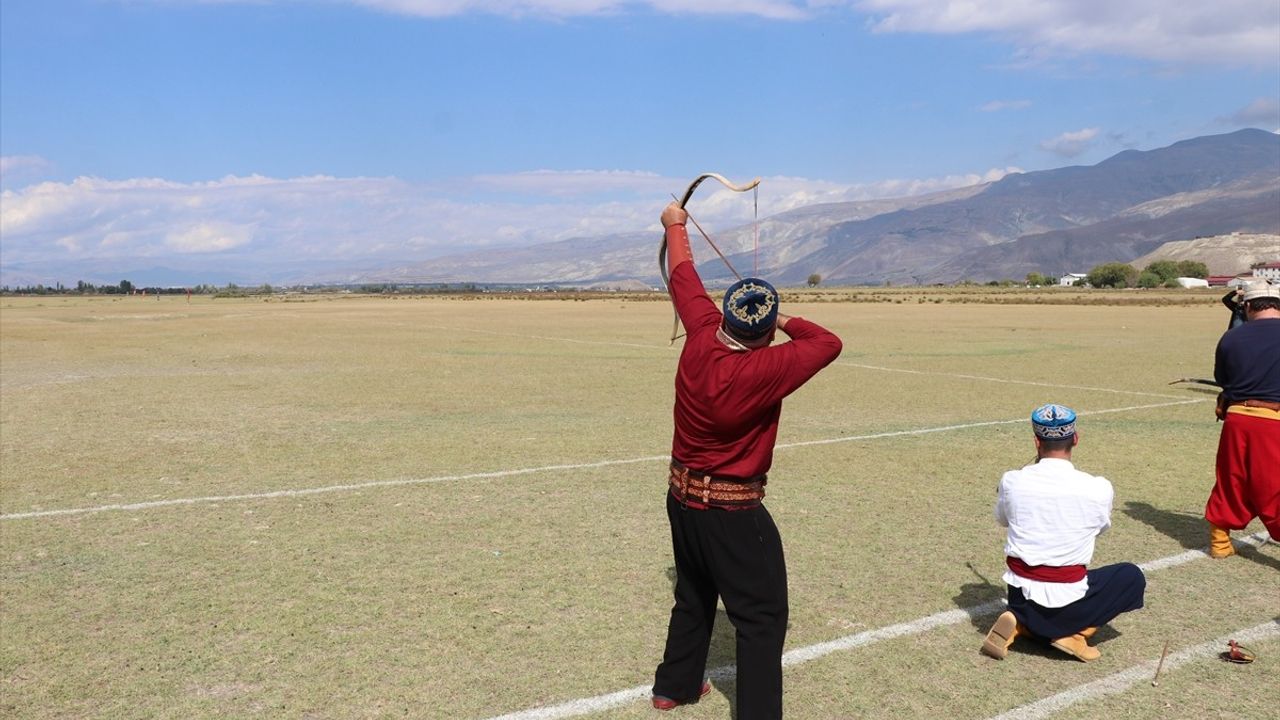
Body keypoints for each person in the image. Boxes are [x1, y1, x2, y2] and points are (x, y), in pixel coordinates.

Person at [650, 202, 842, 717]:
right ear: (763, 334)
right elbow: (827, 341)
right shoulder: (766, 366)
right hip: (732, 513)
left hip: (681, 498)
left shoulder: (700, 331)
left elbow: (684, 274)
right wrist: (778, 315)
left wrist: (674, 223)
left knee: (694, 593)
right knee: (761, 617)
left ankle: (675, 685)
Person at [980, 403, 1146, 663]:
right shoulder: (1098, 487)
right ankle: (1071, 634)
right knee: (1131, 576)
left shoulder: (1012, 480)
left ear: (1036, 441)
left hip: (1019, 595)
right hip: (1067, 596)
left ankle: (1022, 623)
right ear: (1076, 439)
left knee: (1039, 582)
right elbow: (1099, 529)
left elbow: (1002, 520)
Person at [1205, 280, 1280, 558]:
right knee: (1274, 486)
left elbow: (1222, 379)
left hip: (1236, 418)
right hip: (1274, 421)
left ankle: (1220, 542)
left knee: (1231, 479)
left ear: (1247, 306)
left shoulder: (1231, 338)